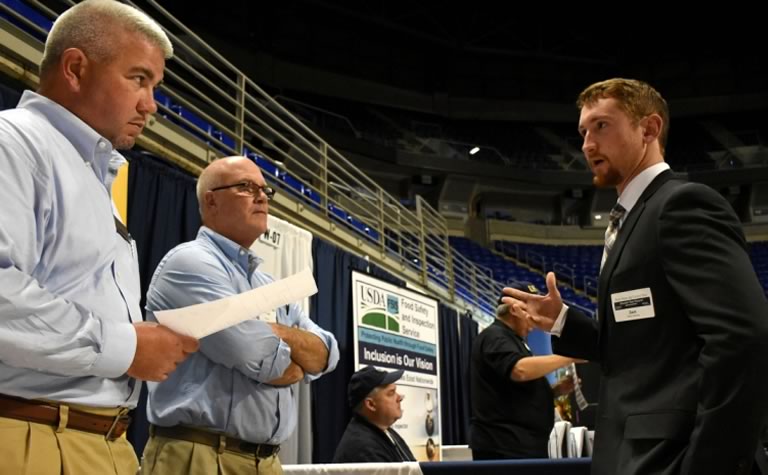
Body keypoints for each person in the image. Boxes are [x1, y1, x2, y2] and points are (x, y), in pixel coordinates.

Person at [502, 78, 768, 475]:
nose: (587, 144)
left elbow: (745, 339)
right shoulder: (631, 220)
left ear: (649, 129)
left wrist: (709, 464)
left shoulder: (681, 205)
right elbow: (640, 349)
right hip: (632, 454)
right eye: (583, 132)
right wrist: (562, 321)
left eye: (602, 126)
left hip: (671, 458)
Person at [0, 1, 199, 473]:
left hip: (96, 438)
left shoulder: (90, 171)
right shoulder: (15, 144)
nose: (151, 104)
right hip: (34, 436)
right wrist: (128, 347)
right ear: (75, 69)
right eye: (138, 79)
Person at [141, 156, 340, 475]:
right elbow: (254, 354)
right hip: (201, 457)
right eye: (246, 187)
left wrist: (281, 334)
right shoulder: (190, 264)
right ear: (211, 200)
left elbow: (327, 354)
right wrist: (295, 358)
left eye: (265, 190)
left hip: (267, 461)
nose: (262, 196)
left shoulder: (268, 283)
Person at [470, 284, 579, 460]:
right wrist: (568, 357)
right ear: (515, 309)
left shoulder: (512, 340)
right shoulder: (495, 336)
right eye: (531, 311)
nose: (534, 322)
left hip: (520, 446)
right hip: (505, 448)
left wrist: (555, 391)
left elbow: (514, 391)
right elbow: (519, 370)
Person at [333, 366, 416, 463]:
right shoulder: (363, 448)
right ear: (371, 404)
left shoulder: (385, 431)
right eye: (391, 393)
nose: (400, 397)